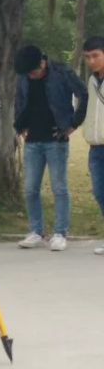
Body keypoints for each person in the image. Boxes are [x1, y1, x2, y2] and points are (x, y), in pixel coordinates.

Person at [14, 45, 88, 252]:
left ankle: (60, 233)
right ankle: (36, 231)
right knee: (30, 189)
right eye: (27, 74)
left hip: (56, 139)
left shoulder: (62, 72)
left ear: (42, 63)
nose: (30, 76)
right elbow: (19, 99)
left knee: (59, 188)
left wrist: (73, 124)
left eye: (33, 72)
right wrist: (20, 125)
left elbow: (83, 94)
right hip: (32, 141)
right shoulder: (24, 75)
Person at [81, 37, 104, 254]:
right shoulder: (92, 81)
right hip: (95, 147)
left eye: (96, 56)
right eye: (87, 57)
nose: (91, 61)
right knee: (99, 192)